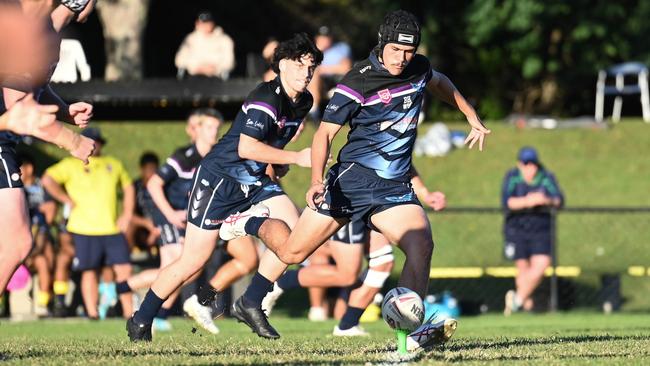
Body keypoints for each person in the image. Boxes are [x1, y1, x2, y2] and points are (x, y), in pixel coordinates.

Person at [215, 10, 490, 352]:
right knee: (292, 250)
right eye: (395, 51)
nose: (402, 59)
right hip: (350, 182)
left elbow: (439, 82)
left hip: (393, 188)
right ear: (381, 43)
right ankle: (251, 222)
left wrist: (469, 114)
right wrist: (316, 180)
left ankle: (409, 338)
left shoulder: (418, 67)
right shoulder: (356, 81)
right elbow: (325, 135)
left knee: (421, 246)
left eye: (409, 52)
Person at [126, 33, 322, 342]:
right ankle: (142, 318)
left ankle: (251, 301)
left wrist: (279, 163)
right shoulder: (265, 98)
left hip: (254, 181)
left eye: (311, 67)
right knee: (192, 261)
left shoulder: (304, 102)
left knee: (296, 240)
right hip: (220, 180)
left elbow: (272, 144)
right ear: (281, 65)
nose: (306, 73)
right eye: (299, 65)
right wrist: (296, 158)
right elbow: (246, 147)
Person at [262, 169, 447, 337]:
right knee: (347, 275)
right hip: (353, 194)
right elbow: (326, 134)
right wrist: (314, 176)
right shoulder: (368, 134)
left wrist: (425, 194)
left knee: (383, 262)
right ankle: (278, 283)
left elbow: (402, 159)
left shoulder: (404, 132)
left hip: (383, 195)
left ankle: (348, 325)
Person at [0, 0, 96, 297]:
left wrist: (65, 111)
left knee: (15, 242)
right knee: (16, 242)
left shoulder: (46, 31)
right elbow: (21, 113)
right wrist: (71, 141)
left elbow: (31, 92)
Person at [115, 109, 221, 332]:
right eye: (209, 127)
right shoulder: (185, 156)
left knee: (189, 268)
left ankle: (153, 310)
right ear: (196, 130)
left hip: (189, 219)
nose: (215, 132)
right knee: (178, 267)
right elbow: (154, 184)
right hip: (169, 216)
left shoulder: (215, 156)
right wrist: (171, 214)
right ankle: (124, 289)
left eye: (216, 127)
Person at [42, 127, 135, 319]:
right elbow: (47, 179)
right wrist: (65, 199)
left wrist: (127, 214)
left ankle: (129, 312)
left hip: (111, 228)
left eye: (96, 142)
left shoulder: (113, 163)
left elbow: (128, 188)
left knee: (124, 269)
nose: (93, 146)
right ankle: (92, 313)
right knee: (89, 270)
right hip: (83, 228)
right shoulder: (70, 164)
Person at [502, 146, 564, 316]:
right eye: (526, 163)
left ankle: (516, 301)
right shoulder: (513, 177)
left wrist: (546, 200)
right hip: (517, 229)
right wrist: (528, 201)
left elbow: (559, 200)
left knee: (541, 265)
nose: (530, 167)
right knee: (522, 268)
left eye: (533, 163)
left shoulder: (546, 177)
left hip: (541, 229)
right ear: (520, 164)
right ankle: (525, 308)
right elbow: (508, 202)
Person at [19, 153, 57, 316]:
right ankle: (49, 297)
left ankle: (44, 303)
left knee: (46, 257)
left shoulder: (41, 186)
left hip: (40, 234)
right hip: (20, 237)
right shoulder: (13, 187)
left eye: (21, 167)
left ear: (29, 168)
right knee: (45, 256)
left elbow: (50, 210)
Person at [307, 26, 353, 121]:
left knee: (315, 73)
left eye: (327, 37)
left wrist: (323, 69)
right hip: (308, 80)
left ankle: (313, 112)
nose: (324, 40)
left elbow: (346, 68)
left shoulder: (340, 48)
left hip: (332, 81)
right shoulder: (310, 51)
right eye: (322, 37)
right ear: (317, 38)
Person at [175, 11, 235, 79]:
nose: (205, 25)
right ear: (197, 24)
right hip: (193, 77)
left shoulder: (224, 40)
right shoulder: (190, 39)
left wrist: (215, 69)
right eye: (202, 23)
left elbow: (229, 61)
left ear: (213, 23)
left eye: (208, 23)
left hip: (216, 78)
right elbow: (179, 59)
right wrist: (195, 67)